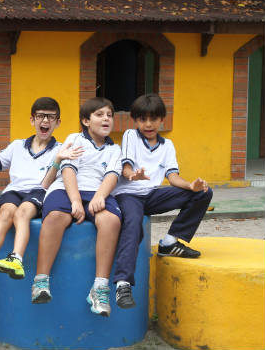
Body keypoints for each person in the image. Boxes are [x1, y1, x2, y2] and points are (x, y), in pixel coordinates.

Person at [112, 93, 212, 309]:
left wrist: (190, 186)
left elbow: (173, 176)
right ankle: (123, 283)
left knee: (204, 192)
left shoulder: (168, 145)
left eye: (153, 119)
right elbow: (126, 165)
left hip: (151, 195)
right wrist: (131, 175)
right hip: (128, 194)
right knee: (133, 224)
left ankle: (169, 242)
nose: (148, 124)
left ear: (162, 120)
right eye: (143, 119)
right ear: (135, 121)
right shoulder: (131, 135)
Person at [0, 97, 83, 285]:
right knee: (5, 212)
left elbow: (47, 184)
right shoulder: (17, 145)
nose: (45, 121)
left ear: (57, 122)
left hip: (38, 191)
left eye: (50, 117)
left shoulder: (61, 149)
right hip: (14, 190)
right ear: (32, 120)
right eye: (40, 116)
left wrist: (58, 159)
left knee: (22, 212)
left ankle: (16, 259)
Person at [32, 97, 122, 318]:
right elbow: (68, 170)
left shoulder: (115, 149)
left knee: (110, 221)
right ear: (86, 120)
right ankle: (41, 281)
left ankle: (99, 288)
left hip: (96, 191)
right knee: (55, 217)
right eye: (100, 115)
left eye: (109, 115)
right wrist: (74, 202)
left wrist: (100, 197)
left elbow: (112, 175)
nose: (106, 119)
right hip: (66, 189)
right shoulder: (75, 139)